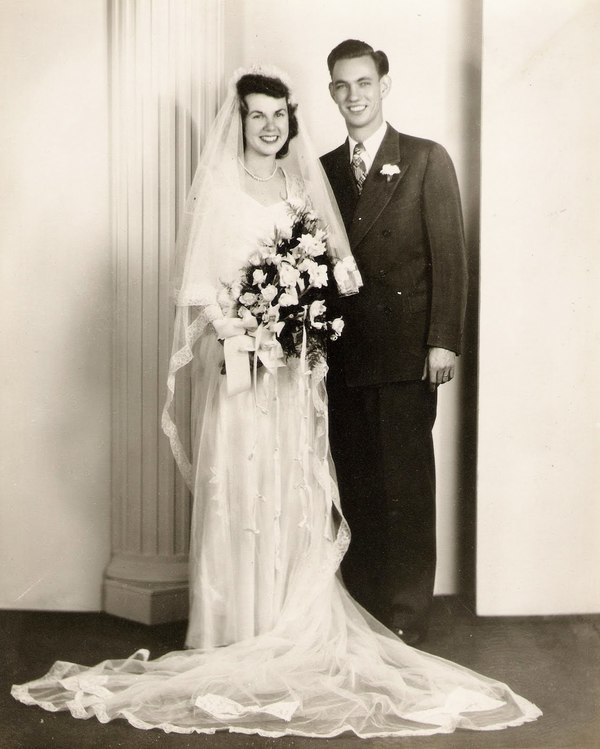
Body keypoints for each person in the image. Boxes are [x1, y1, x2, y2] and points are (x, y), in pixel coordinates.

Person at [11, 66, 540, 739]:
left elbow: (334, 275)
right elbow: (200, 294)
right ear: (239, 121)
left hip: (297, 379)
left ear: (295, 116)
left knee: (298, 493)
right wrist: (246, 333)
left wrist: (302, 326)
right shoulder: (222, 193)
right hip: (241, 378)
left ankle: (333, 618)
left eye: (278, 114)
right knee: (242, 491)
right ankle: (237, 626)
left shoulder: (304, 186)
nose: (269, 126)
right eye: (257, 115)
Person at [321, 39, 468, 646]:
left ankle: (405, 613)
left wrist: (444, 342)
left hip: (407, 356)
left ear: (384, 84)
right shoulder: (323, 168)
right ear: (331, 93)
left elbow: (450, 260)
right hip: (341, 357)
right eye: (341, 86)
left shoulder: (426, 159)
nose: (354, 96)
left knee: (404, 486)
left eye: (363, 82)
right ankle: (361, 608)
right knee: (354, 482)